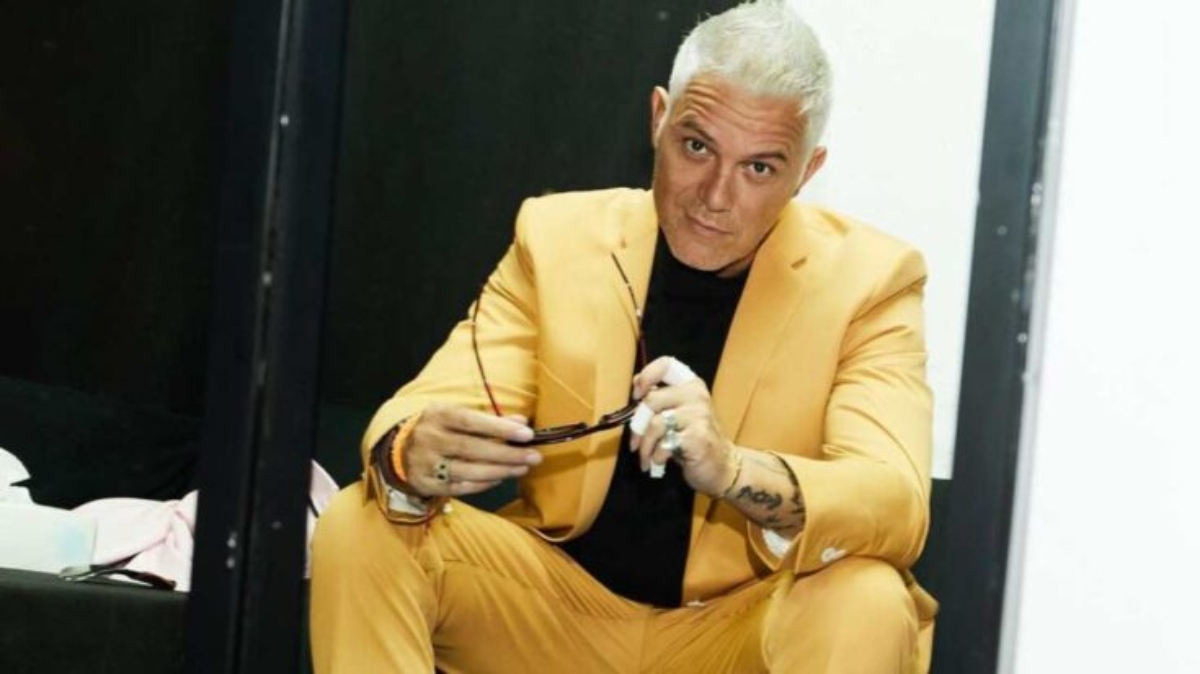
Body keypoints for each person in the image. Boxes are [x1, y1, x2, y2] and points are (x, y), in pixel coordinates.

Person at [310, 1, 937, 672]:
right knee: (362, 523)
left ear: (807, 171)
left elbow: (895, 502)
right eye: (697, 147)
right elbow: (422, 411)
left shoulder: (870, 280)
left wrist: (732, 470)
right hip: (549, 618)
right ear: (659, 117)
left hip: (734, 632)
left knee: (867, 597)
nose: (715, 196)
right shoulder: (559, 237)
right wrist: (411, 453)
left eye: (759, 168)